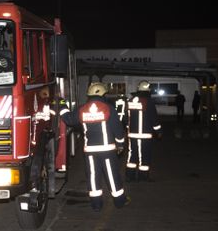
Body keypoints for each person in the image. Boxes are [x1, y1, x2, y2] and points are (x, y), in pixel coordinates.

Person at [52, 82, 130, 212]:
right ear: (104, 94)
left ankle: (96, 204)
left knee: (93, 176)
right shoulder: (109, 108)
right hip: (107, 150)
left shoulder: (83, 108)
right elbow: (118, 129)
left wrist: (62, 105)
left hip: (90, 151)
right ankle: (120, 201)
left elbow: (69, 119)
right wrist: (121, 144)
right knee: (112, 175)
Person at [126, 80, 162, 182]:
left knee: (132, 155)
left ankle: (130, 176)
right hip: (145, 135)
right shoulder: (148, 101)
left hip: (132, 135)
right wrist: (159, 131)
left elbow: (125, 117)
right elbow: (153, 118)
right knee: (145, 156)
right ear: (148, 89)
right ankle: (143, 177)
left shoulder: (130, 100)